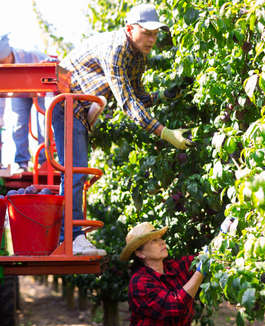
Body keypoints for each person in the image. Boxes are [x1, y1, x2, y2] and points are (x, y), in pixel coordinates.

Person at [52, 3, 193, 256]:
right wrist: (164, 132)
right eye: (147, 33)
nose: (152, 39)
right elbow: (127, 102)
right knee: (75, 171)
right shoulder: (116, 48)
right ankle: (70, 238)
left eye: (155, 33)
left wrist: (165, 95)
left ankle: (72, 237)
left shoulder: (138, 56)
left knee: (78, 172)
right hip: (66, 102)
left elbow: (139, 96)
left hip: (81, 110)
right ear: (130, 29)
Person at [0, 34, 47, 172]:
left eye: (3, 61)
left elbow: (51, 67)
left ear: (10, 55)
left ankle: (44, 161)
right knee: (18, 123)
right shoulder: (2, 69)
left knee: (43, 121)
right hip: (20, 91)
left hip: (41, 88)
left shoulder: (31, 55)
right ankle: (22, 163)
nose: (2, 65)